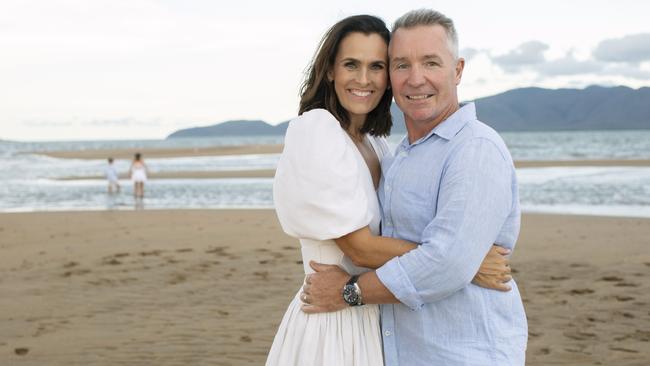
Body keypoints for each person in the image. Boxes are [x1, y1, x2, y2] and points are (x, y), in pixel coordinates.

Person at [267, 14, 512, 366]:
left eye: (376, 66)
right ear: (331, 70)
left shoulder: (378, 144)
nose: (364, 79)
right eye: (351, 64)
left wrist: (457, 259)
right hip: (332, 320)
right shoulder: (317, 129)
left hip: (371, 316)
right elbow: (360, 248)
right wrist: (465, 262)